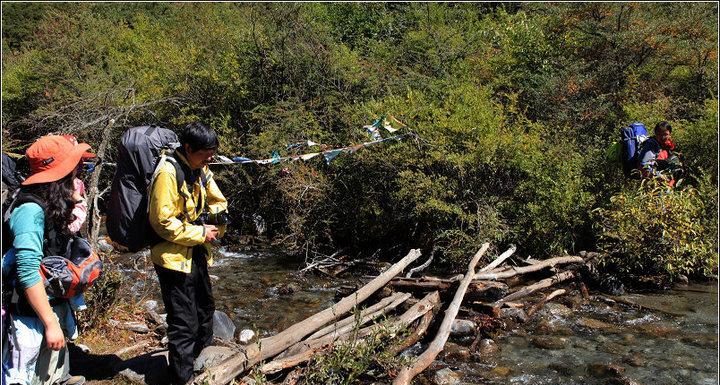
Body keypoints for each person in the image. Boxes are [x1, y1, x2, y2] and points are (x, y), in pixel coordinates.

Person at [2, 135, 91, 385]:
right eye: (72, 170)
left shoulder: (52, 203)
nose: (77, 174)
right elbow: (28, 272)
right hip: (29, 311)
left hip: (49, 303)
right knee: (23, 374)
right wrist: (50, 323)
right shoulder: (30, 210)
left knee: (48, 368)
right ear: (58, 176)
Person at [148, 122, 228, 385]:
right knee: (183, 322)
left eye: (212, 152)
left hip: (196, 251)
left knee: (205, 309)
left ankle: (204, 366)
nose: (210, 158)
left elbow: (219, 201)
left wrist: (217, 221)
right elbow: (161, 222)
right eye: (205, 152)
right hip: (172, 258)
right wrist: (200, 233)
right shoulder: (168, 173)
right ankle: (181, 378)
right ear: (188, 148)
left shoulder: (201, 170)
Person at [638, 121, 682, 186]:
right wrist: (659, 177)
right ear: (655, 133)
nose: (663, 137)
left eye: (665, 134)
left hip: (666, 182)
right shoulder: (651, 145)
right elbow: (643, 166)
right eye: (659, 134)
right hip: (655, 183)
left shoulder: (668, 144)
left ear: (670, 134)